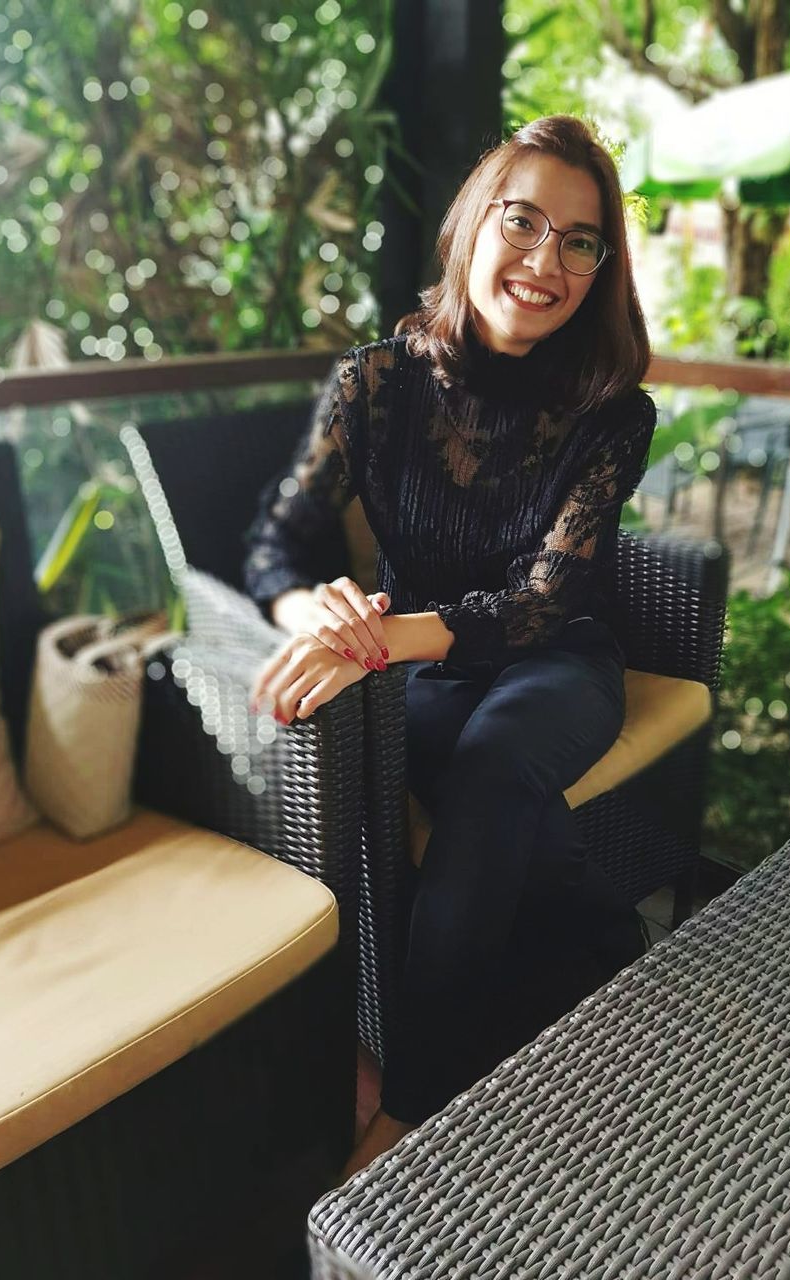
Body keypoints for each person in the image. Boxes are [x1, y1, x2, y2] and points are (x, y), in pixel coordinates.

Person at [244, 114, 657, 1176]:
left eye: (580, 240)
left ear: (600, 269)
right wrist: (323, 620)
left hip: (558, 659)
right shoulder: (374, 382)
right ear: (472, 225)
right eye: (522, 221)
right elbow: (276, 545)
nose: (545, 259)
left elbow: (539, 600)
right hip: (418, 664)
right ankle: (608, 941)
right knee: (509, 818)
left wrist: (382, 641)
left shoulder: (613, 412)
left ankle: (411, 1109)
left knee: (494, 763)